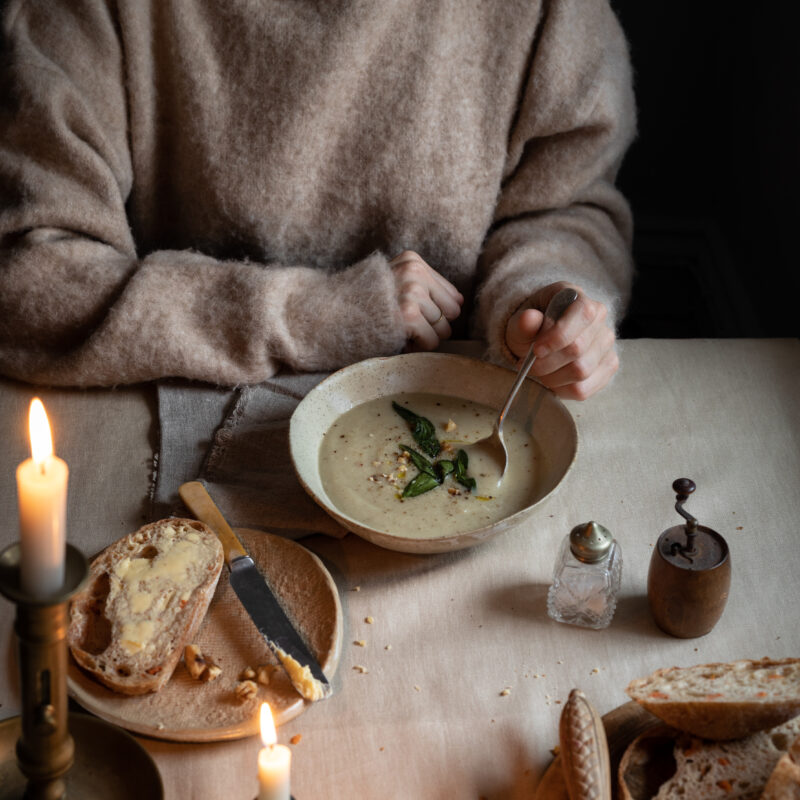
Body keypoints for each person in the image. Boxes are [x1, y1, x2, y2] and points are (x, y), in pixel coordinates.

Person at [0, 0, 636, 400]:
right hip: (176, 405)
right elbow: (30, 279)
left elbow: (565, 203)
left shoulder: (550, 15)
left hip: (464, 410)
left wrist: (543, 300)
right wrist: (318, 313)